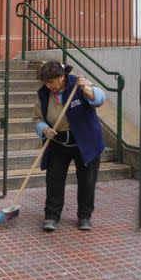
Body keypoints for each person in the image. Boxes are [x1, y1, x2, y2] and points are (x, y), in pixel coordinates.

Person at [32, 61, 106, 232]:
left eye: (51, 82)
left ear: (61, 77)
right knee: (54, 178)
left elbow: (100, 99)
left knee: (87, 180)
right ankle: (51, 215)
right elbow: (37, 119)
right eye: (46, 83)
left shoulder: (78, 84)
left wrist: (88, 90)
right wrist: (44, 129)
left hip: (86, 139)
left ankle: (85, 217)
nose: (49, 86)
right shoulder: (43, 94)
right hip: (59, 140)